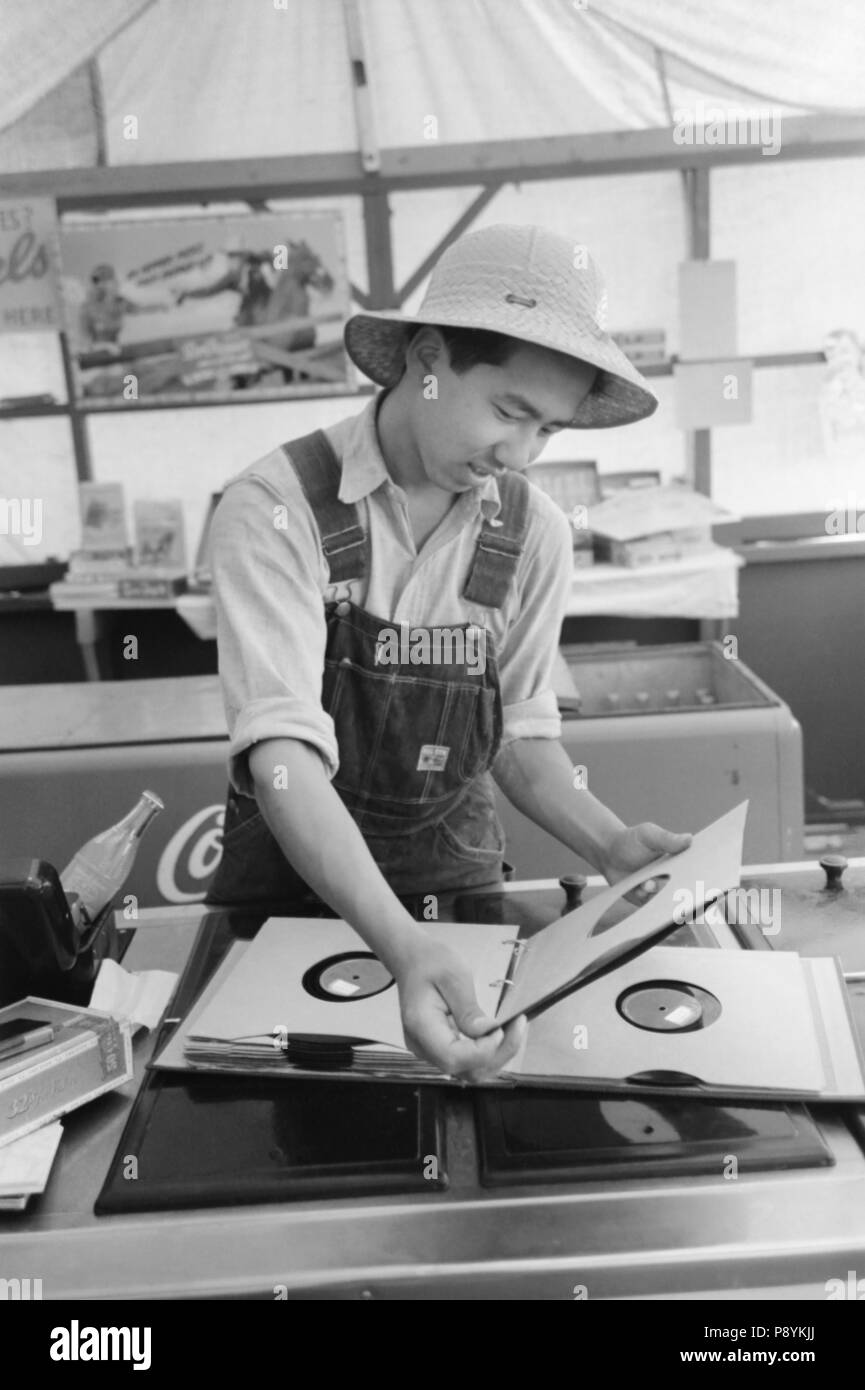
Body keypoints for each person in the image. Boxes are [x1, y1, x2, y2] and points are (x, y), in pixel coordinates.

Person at [206, 224, 691, 1082]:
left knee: (470, 1120)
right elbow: (282, 757)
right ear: (426, 358)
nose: (519, 455)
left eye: (546, 430)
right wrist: (398, 942)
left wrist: (608, 843)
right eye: (508, 413)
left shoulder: (532, 532)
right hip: (285, 898)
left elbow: (519, 737)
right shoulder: (275, 508)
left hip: (453, 887)